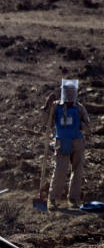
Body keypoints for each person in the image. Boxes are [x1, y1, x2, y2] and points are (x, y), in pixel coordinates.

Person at [43, 79, 91, 209]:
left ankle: (74, 199)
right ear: (63, 92)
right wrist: (47, 106)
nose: (70, 94)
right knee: (60, 170)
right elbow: (45, 122)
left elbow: (88, 125)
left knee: (78, 171)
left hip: (77, 142)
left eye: (72, 91)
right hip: (62, 142)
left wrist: (80, 125)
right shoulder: (56, 107)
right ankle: (52, 199)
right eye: (67, 92)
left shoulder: (79, 108)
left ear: (75, 92)